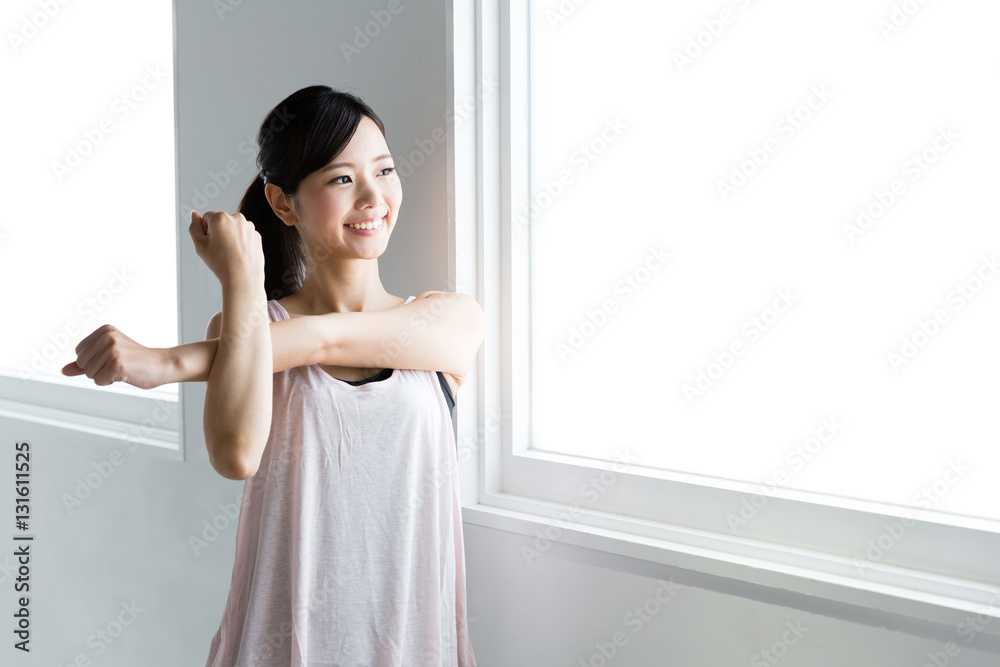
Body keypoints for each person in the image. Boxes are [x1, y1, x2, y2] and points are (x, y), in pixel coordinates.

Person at [62, 85, 483, 666]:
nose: (373, 196)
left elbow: (326, 337)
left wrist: (166, 363)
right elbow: (235, 456)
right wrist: (241, 282)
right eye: (341, 180)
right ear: (284, 205)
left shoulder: (449, 319)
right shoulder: (246, 326)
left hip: (415, 649)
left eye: (384, 170)